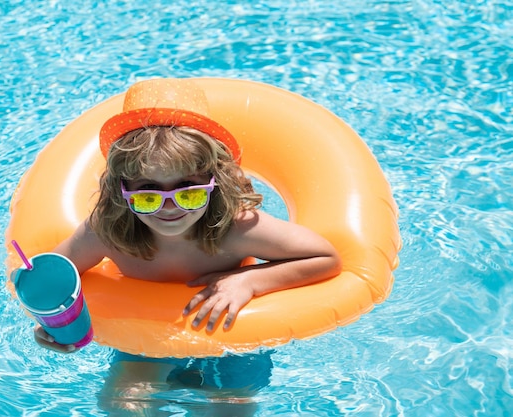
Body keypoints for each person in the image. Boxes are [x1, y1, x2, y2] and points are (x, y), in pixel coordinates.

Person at [33, 78, 341, 412]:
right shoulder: (108, 231)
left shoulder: (235, 227)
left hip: (234, 338)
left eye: (188, 191)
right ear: (121, 191)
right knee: (122, 405)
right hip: (146, 339)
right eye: (149, 193)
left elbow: (325, 257)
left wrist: (249, 281)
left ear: (214, 183)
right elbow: (52, 277)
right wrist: (54, 324)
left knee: (231, 409)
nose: (170, 207)